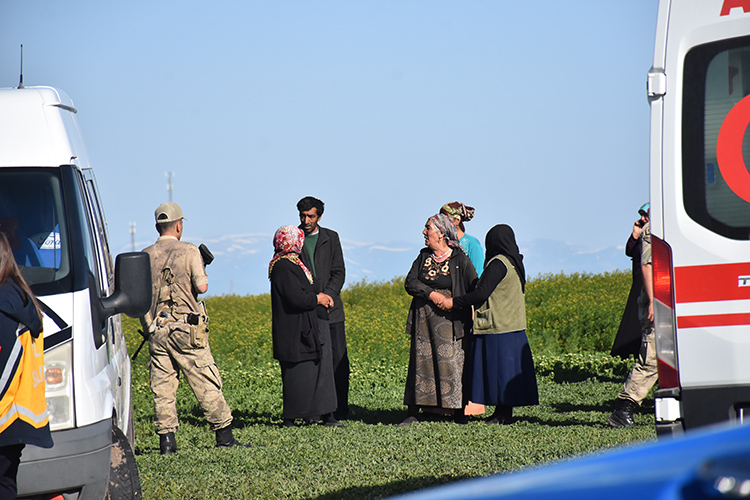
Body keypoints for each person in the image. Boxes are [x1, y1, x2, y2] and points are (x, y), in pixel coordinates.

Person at [140, 202, 249, 453]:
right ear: (179, 225)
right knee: (205, 380)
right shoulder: (189, 250)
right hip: (186, 329)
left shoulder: (144, 255)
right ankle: (224, 437)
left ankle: (166, 443)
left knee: (163, 388)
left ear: (158, 226)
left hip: (157, 330)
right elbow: (201, 288)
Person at [439, 224, 539, 424]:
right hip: (513, 326)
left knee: (498, 373)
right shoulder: (513, 262)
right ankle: (503, 412)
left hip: (498, 327)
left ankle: (502, 415)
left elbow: (481, 293)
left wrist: (454, 302)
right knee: (506, 373)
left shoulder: (497, 263)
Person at [400, 214, 477, 426]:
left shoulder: (459, 259)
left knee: (452, 363)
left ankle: (458, 413)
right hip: (423, 321)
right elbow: (410, 282)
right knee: (420, 364)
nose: (424, 232)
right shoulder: (423, 255)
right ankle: (413, 412)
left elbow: (473, 287)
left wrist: (455, 302)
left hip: (451, 321)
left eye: (428, 229)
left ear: (441, 233)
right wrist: (432, 294)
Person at [269, 225, 342, 428]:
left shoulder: (293, 263)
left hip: (304, 326)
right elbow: (296, 297)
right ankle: (292, 418)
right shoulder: (284, 266)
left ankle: (321, 414)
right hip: (294, 330)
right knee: (297, 374)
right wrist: (317, 298)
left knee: (313, 370)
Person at [0, 233, 53, 499]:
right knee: (6, 485)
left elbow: (4, 368)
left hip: (3, 416)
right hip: (16, 419)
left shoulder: (3, 306)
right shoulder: (18, 297)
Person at [297, 196, 350, 420]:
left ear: (319, 216)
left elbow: (339, 272)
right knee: (311, 362)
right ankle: (313, 411)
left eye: (311, 216)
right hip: (307, 311)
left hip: (332, 311)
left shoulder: (331, 237)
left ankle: (340, 409)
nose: (306, 220)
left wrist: (328, 296)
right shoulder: (294, 238)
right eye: (303, 215)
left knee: (338, 361)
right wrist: (313, 298)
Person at [608, 206, 658, 427]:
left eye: (645, 214)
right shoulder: (651, 232)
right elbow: (644, 263)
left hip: (658, 298)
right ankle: (624, 408)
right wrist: (654, 301)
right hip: (655, 300)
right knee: (652, 357)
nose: (642, 218)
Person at [611, 203, 649, 359]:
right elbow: (630, 251)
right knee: (634, 317)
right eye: (641, 215)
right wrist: (635, 234)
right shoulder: (642, 233)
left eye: (645, 215)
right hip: (638, 281)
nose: (642, 218)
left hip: (647, 280)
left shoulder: (653, 234)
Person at [440, 201, 484, 276]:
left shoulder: (472, 243)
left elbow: (478, 273)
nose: (441, 222)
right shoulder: (442, 242)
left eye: (445, 219)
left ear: (457, 221)